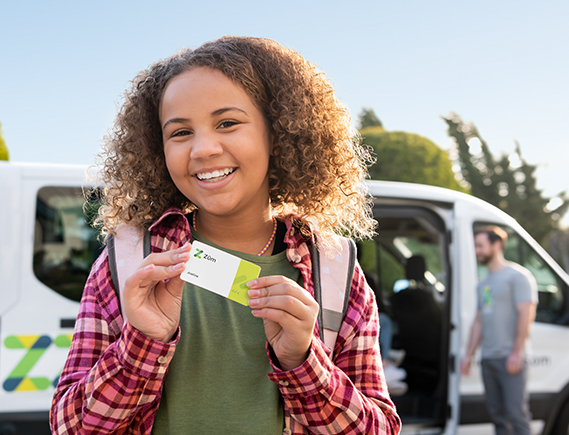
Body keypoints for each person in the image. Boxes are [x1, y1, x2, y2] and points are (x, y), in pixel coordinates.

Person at [50, 36, 401, 434]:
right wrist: (142, 343)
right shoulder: (129, 259)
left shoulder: (335, 269)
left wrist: (303, 362)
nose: (203, 148)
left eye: (228, 123)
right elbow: (70, 428)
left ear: (280, 132)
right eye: (180, 132)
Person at [460, 226, 537, 435]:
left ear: (497, 245)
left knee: (516, 415)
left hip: (510, 358)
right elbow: (479, 322)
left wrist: (517, 351)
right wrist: (468, 355)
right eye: (475, 246)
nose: (477, 251)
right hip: (489, 359)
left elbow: (526, 314)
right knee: (497, 416)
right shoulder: (484, 284)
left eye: (481, 246)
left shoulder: (518, 276)